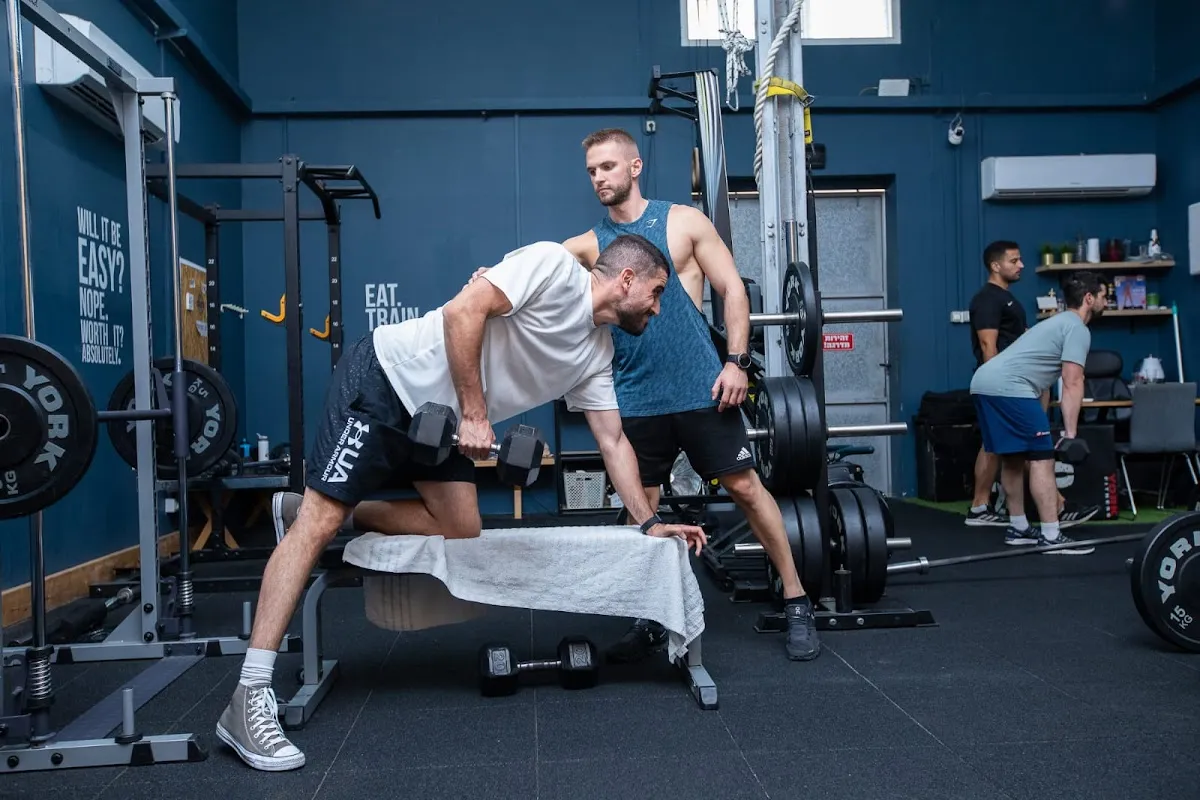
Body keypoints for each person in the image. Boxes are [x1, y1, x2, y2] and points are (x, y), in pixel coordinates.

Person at [216, 234, 708, 772]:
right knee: (318, 522)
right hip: (387, 379)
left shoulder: (598, 353)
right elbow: (462, 311)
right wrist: (476, 415)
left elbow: (612, 441)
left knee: (461, 524)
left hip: (441, 422)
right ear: (627, 280)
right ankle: (248, 695)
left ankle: (323, 512)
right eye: (657, 293)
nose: (658, 308)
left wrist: (650, 522)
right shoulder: (552, 267)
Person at [471, 127, 821, 665]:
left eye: (608, 167)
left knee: (747, 489)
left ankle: (797, 600)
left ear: (635, 167)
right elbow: (525, 272)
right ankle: (650, 617)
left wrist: (737, 362)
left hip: (703, 389)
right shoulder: (589, 247)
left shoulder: (684, 222)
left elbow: (732, 289)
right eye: (591, 171)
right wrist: (489, 276)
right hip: (635, 398)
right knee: (644, 510)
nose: (598, 178)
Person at [968, 270, 1107, 553]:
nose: (1107, 302)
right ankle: (1051, 535)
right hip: (1010, 388)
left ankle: (1019, 528)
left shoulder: (1055, 322)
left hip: (983, 383)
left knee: (1013, 459)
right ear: (1089, 298)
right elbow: (1072, 381)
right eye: (1104, 296)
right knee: (1042, 458)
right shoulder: (1077, 328)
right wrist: (1070, 433)